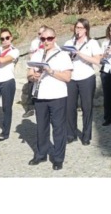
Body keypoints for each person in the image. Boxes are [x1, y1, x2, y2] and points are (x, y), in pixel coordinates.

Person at [27, 27, 73, 170]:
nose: (46, 41)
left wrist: (50, 71)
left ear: (55, 38)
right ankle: (41, 154)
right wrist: (32, 76)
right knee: (41, 127)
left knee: (59, 128)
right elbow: (29, 72)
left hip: (57, 96)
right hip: (40, 95)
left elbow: (67, 77)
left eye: (49, 38)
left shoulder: (62, 55)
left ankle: (58, 158)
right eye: (43, 39)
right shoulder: (37, 54)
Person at [63, 18, 102, 146]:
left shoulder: (92, 43)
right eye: (76, 27)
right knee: (70, 107)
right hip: (72, 78)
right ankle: (71, 134)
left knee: (87, 107)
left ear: (86, 29)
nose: (78, 30)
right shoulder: (69, 42)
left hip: (86, 77)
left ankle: (86, 135)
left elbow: (97, 60)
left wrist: (79, 53)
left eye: (80, 28)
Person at [23, 25, 48, 118]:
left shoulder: (48, 41)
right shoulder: (35, 42)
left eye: (42, 33)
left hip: (45, 68)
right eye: (39, 33)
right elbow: (30, 53)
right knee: (30, 85)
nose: (40, 35)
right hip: (35, 66)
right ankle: (30, 108)